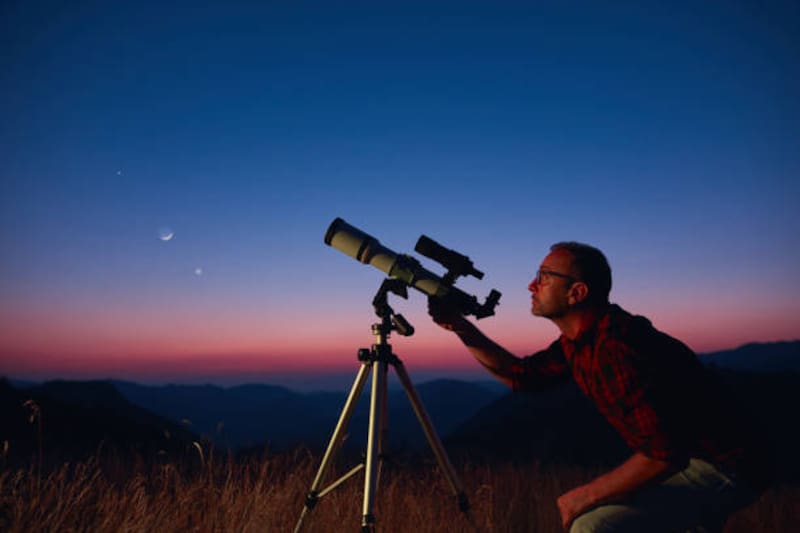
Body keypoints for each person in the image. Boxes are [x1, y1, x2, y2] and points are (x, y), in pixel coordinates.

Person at [429, 242, 767, 532]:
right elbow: (522, 375)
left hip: (726, 466)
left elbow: (665, 454)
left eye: (544, 277)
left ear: (577, 293)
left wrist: (585, 495)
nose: (532, 285)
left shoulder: (617, 349)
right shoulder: (580, 341)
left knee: (592, 525)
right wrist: (461, 327)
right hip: (689, 456)